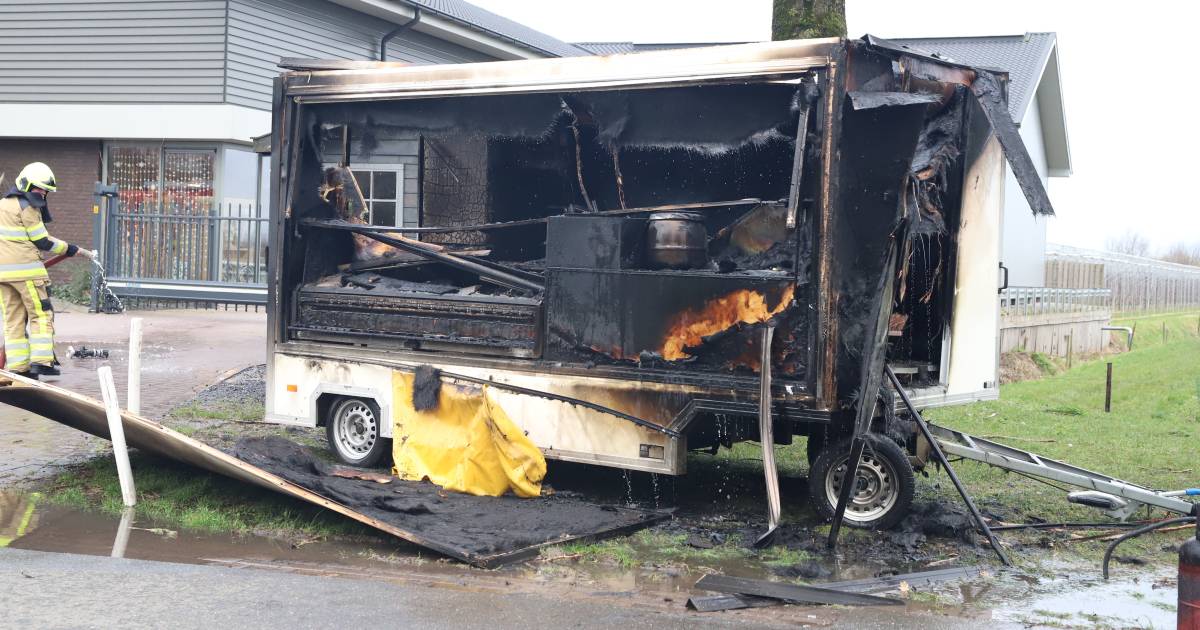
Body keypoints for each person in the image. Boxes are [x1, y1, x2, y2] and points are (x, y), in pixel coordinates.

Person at [0, 162, 94, 378]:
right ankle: (42, 362)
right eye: (39, 189)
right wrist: (71, 249)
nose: (42, 194)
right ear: (26, 184)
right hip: (28, 275)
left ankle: (18, 368)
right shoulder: (28, 207)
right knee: (41, 314)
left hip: (3, 276)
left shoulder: (2, 205)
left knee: (13, 319)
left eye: (45, 191)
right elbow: (42, 240)